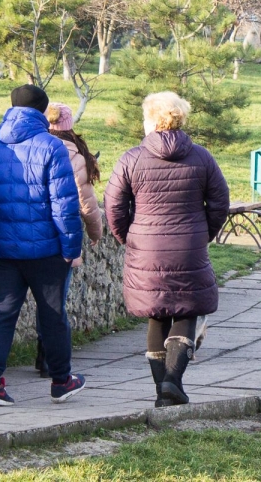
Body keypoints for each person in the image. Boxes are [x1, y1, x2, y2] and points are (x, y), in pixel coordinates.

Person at [104, 92, 229, 407]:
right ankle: (172, 382)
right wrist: (204, 234)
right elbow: (219, 202)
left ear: (150, 121)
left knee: (156, 315)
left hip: (146, 247)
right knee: (186, 311)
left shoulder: (131, 159)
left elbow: (113, 207)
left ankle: (164, 388)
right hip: (188, 245)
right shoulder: (202, 158)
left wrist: (129, 237)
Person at [0, 84, 86, 406]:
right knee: (52, 315)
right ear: (42, 111)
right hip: (46, 250)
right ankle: (61, 380)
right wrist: (71, 248)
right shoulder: (52, 147)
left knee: (1, 313)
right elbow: (63, 205)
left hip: (3, 250)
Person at [29, 102, 104, 377]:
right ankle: (47, 356)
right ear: (68, 124)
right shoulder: (74, 153)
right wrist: (96, 233)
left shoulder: (32, 145)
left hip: (28, 232)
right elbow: (86, 202)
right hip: (61, 236)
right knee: (54, 302)